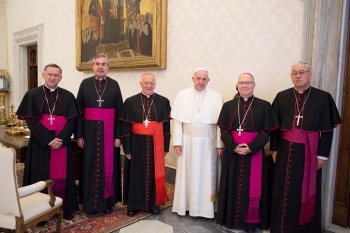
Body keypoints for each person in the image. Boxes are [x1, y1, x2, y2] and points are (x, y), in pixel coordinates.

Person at [270, 61, 341, 233]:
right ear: (291, 75)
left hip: (310, 152)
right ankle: (281, 226)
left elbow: (328, 130)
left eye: (302, 72)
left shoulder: (323, 98)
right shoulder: (282, 96)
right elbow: (274, 128)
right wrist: (275, 148)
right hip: (285, 150)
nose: (298, 76)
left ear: (310, 74)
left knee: (304, 189)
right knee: (283, 189)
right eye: (294, 72)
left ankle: (305, 229)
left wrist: (322, 155)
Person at [17, 63, 80, 220]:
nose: (53, 78)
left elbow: (73, 121)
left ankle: (65, 207)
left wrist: (61, 140)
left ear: (61, 77)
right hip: (40, 143)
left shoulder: (67, 96)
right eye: (50, 74)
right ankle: (39, 209)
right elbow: (32, 122)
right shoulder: (32, 95)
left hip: (62, 144)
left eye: (56, 75)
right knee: (39, 174)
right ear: (43, 75)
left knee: (63, 174)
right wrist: (50, 140)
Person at [215, 73, 278, 231]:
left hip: (254, 154)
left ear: (254, 85)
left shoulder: (264, 106)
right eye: (241, 83)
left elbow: (267, 131)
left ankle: (251, 223)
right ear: (237, 85)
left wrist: (252, 147)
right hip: (232, 153)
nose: (245, 86)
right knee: (232, 185)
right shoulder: (229, 105)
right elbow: (223, 129)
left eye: (248, 83)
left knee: (252, 187)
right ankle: (231, 220)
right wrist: (233, 146)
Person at [171, 68, 224, 219]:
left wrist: (220, 145)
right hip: (187, 142)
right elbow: (178, 122)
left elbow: (220, 124)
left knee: (207, 175)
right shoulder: (182, 95)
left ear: (208, 80)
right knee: (187, 174)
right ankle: (185, 205)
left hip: (209, 143)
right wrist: (177, 142)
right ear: (192, 79)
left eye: (204, 79)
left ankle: (207, 208)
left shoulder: (216, 97)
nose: (201, 82)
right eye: (198, 78)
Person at [75, 53, 124, 214]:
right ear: (93, 67)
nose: (100, 67)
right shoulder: (85, 84)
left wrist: (118, 136)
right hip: (89, 133)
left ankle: (108, 202)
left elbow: (120, 113)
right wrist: (79, 135)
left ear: (108, 67)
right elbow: (78, 112)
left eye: (103, 64)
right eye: (97, 64)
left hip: (109, 134)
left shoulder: (115, 85)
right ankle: (89, 203)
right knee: (89, 166)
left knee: (108, 166)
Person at [120, 72, 171, 217]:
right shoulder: (130, 101)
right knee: (135, 173)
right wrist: (127, 149)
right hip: (136, 144)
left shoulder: (163, 101)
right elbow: (125, 128)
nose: (149, 86)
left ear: (155, 85)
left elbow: (166, 127)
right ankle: (133, 205)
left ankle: (154, 204)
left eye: (152, 83)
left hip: (157, 143)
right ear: (140, 84)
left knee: (155, 172)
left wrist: (165, 147)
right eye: (146, 83)